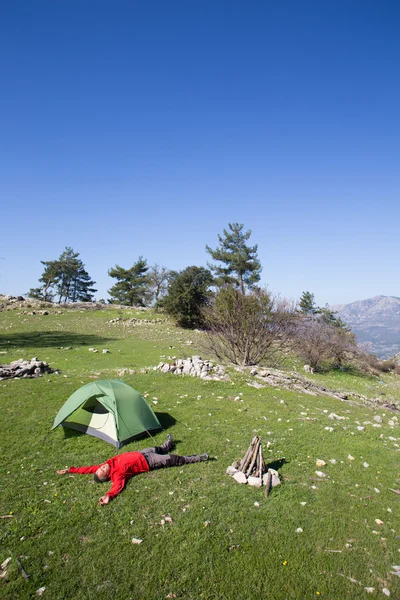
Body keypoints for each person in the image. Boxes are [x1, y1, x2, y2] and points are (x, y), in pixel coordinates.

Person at [56, 435, 209, 505]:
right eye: (102, 470)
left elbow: (87, 469)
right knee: (174, 459)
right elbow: (117, 486)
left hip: (142, 452)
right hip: (149, 462)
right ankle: (198, 458)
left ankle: (168, 442)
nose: (102, 467)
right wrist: (109, 495)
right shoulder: (117, 474)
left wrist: (71, 470)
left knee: (159, 448)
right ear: (107, 475)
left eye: (100, 468)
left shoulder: (106, 465)